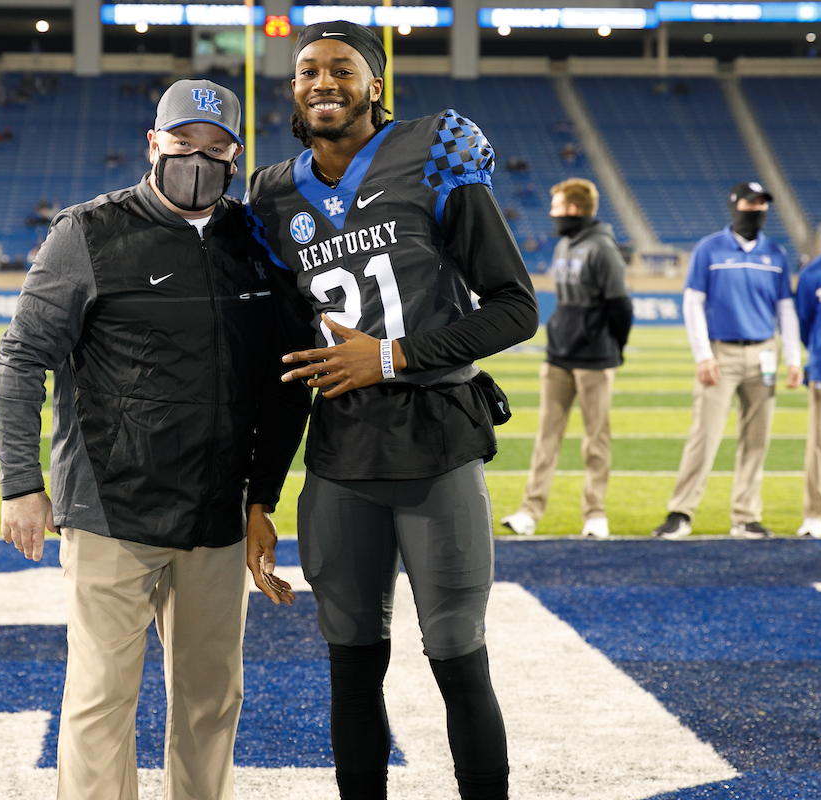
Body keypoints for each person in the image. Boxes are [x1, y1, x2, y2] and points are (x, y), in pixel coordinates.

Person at [245, 21, 539, 800]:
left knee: (455, 654)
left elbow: (516, 309)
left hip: (436, 441)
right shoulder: (272, 195)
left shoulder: (433, 152)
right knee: (349, 665)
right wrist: (260, 496)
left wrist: (392, 356)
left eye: (343, 69)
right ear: (294, 88)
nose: (323, 82)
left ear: (374, 83)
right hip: (340, 457)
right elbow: (285, 365)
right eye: (308, 70)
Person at [0, 79, 309, 800]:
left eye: (215, 148)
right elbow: (19, 361)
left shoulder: (254, 240)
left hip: (218, 516)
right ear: (153, 144)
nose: (197, 159)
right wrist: (21, 483)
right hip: (114, 508)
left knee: (211, 699)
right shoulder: (87, 233)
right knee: (102, 699)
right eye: (182, 144)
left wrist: (261, 499)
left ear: (235, 155)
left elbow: (279, 384)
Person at [652, 182, 803, 539]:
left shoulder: (777, 254)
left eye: (763, 203)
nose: (757, 209)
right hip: (721, 352)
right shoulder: (709, 249)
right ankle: (681, 511)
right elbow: (692, 304)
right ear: (734, 205)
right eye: (751, 202)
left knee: (757, 438)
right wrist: (703, 354)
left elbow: (786, 311)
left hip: (765, 352)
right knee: (704, 435)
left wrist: (793, 359)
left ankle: (746, 516)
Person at [501, 178, 632, 539]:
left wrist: (612, 349)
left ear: (574, 209)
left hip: (594, 359)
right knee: (547, 438)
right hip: (558, 356)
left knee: (595, 440)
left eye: (556, 206)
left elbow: (621, 306)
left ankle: (595, 514)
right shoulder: (564, 246)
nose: (552, 213)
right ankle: (529, 511)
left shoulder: (602, 248)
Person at [794, 202, 821, 538]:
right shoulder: (814, 273)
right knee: (819, 448)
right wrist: (820, 354)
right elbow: (804, 323)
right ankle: (814, 515)